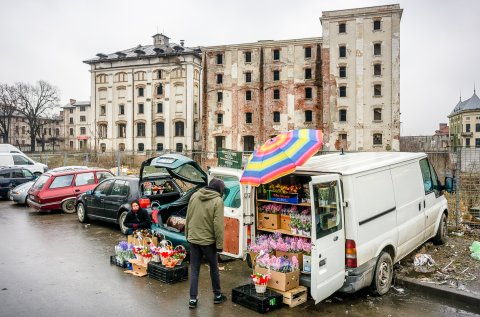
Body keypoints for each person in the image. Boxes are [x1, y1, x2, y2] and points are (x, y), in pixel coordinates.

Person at [185, 178, 226, 309]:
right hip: (208, 241)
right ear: (219, 189)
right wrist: (219, 245)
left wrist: (187, 235)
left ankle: (192, 299)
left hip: (193, 239)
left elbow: (188, 217)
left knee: (194, 269)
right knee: (213, 267)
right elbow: (218, 225)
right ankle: (217, 295)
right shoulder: (218, 201)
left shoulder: (194, 195)